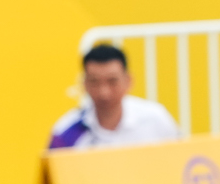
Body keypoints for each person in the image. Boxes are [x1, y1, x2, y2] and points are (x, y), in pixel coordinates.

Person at [48, 44, 182, 149]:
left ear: (128, 81)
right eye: (94, 81)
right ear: (84, 84)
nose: (104, 92)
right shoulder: (66, 132)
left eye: (112, 81)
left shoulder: (155, 119)